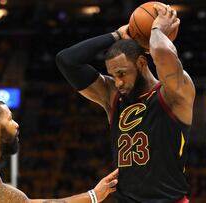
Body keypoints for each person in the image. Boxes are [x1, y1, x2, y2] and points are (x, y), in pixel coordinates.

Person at [56, 4, 195, 203]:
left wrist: (156, 29)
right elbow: (66, 60)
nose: (117, 82)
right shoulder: (112, 95)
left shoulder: (173, 92)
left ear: (141, 63)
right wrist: (116, 35)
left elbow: (163, 53)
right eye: (113, 75)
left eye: (122, 74)